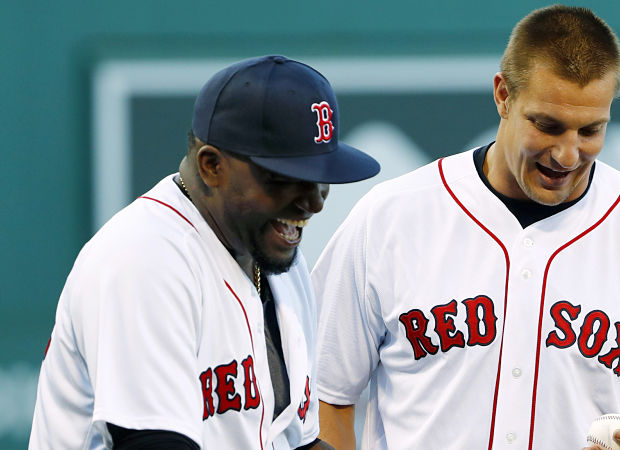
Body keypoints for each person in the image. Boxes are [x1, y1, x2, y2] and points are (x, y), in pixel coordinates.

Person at [311, 5, 620, 450]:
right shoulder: (390, 217)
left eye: (590, 130)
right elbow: (321, 392)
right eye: (548, 125)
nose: (567, 155)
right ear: (503, 95)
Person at [30, 55, 379, 449]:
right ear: (212, 165)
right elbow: (152, 443)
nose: (314, 202)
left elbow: (294, 442)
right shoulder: (144, 260)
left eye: (320, 178)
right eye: (288, 179)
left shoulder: (278, 261)